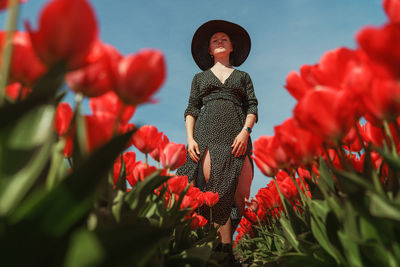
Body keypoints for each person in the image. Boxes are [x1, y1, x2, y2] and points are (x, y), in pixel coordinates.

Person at [177, 19, 258, 264]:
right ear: (210, 50)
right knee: (214, 191)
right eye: (215, 40)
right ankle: (221, 251)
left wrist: (245, 132)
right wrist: (190, 139)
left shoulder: (243, 76)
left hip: (237, 135)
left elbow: (252, 106)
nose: (219, 41)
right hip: (207, 134)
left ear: (231, 47)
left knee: (241, 195)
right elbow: (191, 109)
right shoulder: (199, 78)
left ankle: (241, 245)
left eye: (224, 39)